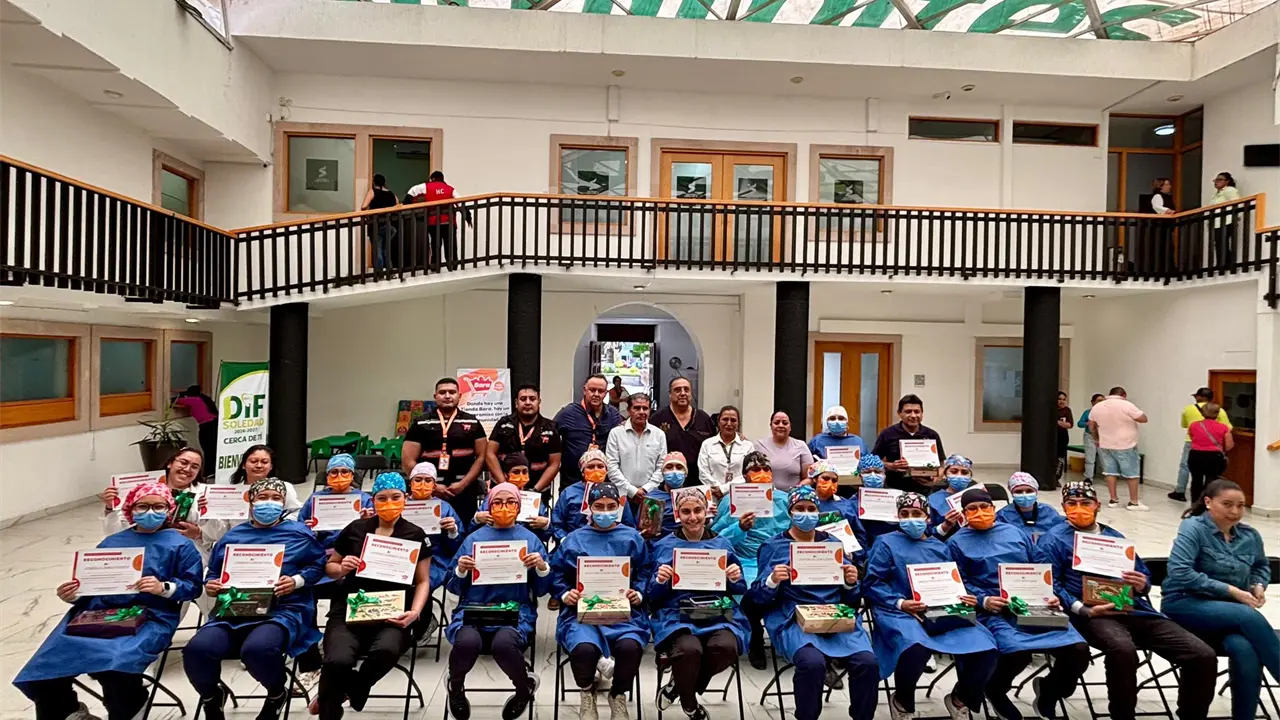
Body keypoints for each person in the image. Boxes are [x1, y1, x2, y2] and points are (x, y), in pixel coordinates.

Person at [14, 482, 204, 720]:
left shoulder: (180, 545)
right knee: (43, 669)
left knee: (115, 667)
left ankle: (130, 708)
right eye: (143, 506)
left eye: (158, 506)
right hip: (95, 614)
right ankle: (69, 712)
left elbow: (193, 586)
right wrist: (74, 594)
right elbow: (92, 583)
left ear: (169, 510)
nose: (150, 512)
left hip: (151, 617)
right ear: (131, 509)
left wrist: (163, 587)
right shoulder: (112, 543)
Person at [1038, 481, 1217, 720]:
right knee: (1122, 650)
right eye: (1072, 503)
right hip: (1092, 614)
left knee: (1202, 654)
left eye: (1085, 503)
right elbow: (1051, 583)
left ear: (1097, 505)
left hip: (1135, 609)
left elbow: (1142, 574)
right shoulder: (1053, 540)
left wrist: (1142, 584)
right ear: (1063, 507)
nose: (1079, 508)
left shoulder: (1114, 537)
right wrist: (1082, 609)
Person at [183, 478, 327, 720]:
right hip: (234, 609)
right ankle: (211, 696)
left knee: (258, 650)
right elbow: (215, 571)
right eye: (262, 497)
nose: (269, 503)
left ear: (284, 503)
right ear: (250, 502)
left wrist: (296, 581)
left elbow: (317, 565)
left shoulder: (299, 533)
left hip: (283, 608)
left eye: (276, 498)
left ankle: (276, 693)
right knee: (196, 650)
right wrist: (212, 584)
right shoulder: (233, 536)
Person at [946, 487, 1090, 720]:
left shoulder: (1014, 532)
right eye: (972, 509)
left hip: (1034, 603)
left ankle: (1049, 692)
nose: (980, 512)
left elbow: (1040, 564)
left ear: (993, 508)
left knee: (1078, 650)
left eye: (984, 507)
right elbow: (958, 581)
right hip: (993, 610)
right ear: (964, 514)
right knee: (1016, 652)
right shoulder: (956, 543)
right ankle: (995, 690)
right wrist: (983, 600)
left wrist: (1049, 592)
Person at [864, 491, 998, 720]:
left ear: (927, 518)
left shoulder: (940, 547)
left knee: (987, 648)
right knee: (915, 648)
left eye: (916, 513)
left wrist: (963, 596)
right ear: (897, 517)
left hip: (940, 609)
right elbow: (872, 583)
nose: (911, 518)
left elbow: (953, 579)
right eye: (905, 514)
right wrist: (901, 603)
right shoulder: (885, 543)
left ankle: (961, 698)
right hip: (898, 610)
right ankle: (903, 700)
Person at [748, 486, 879, 720]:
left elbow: (851, 600)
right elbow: (757, 598)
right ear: (790, 512)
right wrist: (772, 580)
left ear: (819, 511)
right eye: (800, 509)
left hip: (835, 615)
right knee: (812, 663)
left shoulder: (833, 543)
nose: (806, 514)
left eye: (811, 509)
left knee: (867, 662)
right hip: (792, 617)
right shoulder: (773, 546)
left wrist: (850, 583)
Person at [314, 473, 432, 719]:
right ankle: (331, 707)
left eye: (396, 497)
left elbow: (422, 581)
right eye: (382, 498)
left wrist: (415, 612)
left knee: (386, 651)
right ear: (373, 500)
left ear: (405, 498)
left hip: (394, 610)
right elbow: (331, 567)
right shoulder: (355, 529)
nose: (389, 503)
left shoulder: (415, 534)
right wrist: (342, 567)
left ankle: (356, 686)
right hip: (351, 608)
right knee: (337, 661)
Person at [1163, 479, 1277, 720]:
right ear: (1208, 502)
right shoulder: (1193, 527)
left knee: (1244, 648)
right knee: (1247, 615)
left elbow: (1261, 566)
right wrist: (1232, 591)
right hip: (1185, 603)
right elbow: (1180, 572)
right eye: (1227, 504)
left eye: (1240, 505)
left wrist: (1258, 585)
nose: (1235, 511)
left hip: (1228, 614)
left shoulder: (1250, 535)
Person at [447, 482, 551, 720]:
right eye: (498, 502)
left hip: (515, 610)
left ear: (519, 507)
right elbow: (453, 586)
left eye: (511, 502)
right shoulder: (473, 539)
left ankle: (523, 690)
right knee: (466, 642)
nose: (504, 507)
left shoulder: (530, 540)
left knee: (504, 644)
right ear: (489, 506)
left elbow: (542, 590)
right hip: (474, 608)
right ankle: (455, 687)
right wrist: (461, 570)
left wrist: (541, 567)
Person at [552, 482, 652, 720]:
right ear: (589, 507)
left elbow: (646, 570)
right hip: (581, 613)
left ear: (619, 507)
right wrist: (565, 594)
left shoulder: (632, 538)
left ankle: (618, 695)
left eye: (610, 506)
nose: (605, 511)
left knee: (630, 647)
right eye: (599, 506)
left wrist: (638, 593)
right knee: (584, 648)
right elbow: (557, 574)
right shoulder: (574, 540)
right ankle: (587, 691)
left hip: (623, 612)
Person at [648, 488, 750, 720]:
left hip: (717, 612)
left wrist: (734, 578)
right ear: (677, 514)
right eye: (686, 512)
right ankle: (690, 705)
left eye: (697, 510)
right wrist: (660, 581)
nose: (692, 517)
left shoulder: (722, 543)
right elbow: (652, 597)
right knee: (689, 651)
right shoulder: (664, 545)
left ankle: (678, 687)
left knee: (726, 648)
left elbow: (739, 588)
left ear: (706, 512)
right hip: (677, 614)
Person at [710, 450, 792, 669]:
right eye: (755, 470)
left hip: (778, 559)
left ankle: (792, 637)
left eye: (766, 469)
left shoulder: (784, 500)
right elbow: (715, 540)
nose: (762, 474)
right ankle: (755, 636)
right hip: (745, 560)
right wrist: (739, 528)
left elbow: (796, 533)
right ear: (745, 475)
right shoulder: (730, 501)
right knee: (749, 590)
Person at [402, 377, 488, 525]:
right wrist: (432, 487)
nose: (447, 396)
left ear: (459, 396)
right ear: (435, 396)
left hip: (464, 490)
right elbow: (408, 460)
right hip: (428, 492)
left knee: (463, 528)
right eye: (442, 392)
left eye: (452, 392)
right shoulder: (420, 423)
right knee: (429, 530)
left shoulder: (473, 422)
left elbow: (481, 457)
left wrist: (463, 484)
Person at [101, 447, 205, 551]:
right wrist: (110, 508)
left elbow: (214, 537)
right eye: (183, 462)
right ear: (170, 463)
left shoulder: (204, 494)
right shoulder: (143, 491)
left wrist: (199, 533)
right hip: (142, 550)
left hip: (186, 551)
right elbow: (115, 533)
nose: (187, 469)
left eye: (194, 467)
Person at [485, 383, 562, 496]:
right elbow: (490, 453)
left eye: (532, 399)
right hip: (502, 490)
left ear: (539, 402)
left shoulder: (551, 428)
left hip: (537, 490)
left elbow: (554, 463)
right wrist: (504, 485)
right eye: (523, 399)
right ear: (516, 403)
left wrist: (535, 490)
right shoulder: (503, 424)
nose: (527, 402)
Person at [552, 448, 638, 546]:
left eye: (600, 466)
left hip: (612, 545)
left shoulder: (616, 493)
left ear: (606, 470)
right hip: (577, 544)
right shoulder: (569, 493)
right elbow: (557, 523)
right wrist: (565, 540)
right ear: (582, 471)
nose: (596, 470)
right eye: (591, 467)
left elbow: (628, 525)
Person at [554, 374, 624, 492]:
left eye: (600, 391)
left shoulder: (613, 415)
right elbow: (550, 436)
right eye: (592, 390)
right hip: (573, 482)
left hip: (603, 483)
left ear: (606, 393)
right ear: (584, 390)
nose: (596, 394)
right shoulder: (568, 413)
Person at [407, 463, 463, 603]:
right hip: (404, 556)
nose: (422, 484)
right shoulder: (400, 505)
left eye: (428, 480)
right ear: (410, 483)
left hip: (435, 559)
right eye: (418, 480)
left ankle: (423, 612)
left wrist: (452, 531)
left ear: (434, 485)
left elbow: (457, 547)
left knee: (423, 584)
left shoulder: (444, 508)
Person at [1087, 387, 1149, 511]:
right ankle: (1133, 502)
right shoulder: (1126, 405)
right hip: (1126, 445)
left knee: (1110, 472)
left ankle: (1113, 500)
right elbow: (1143, 419)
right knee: (1132, 474)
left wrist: (1097, 439)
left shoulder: (1097, 407)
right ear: (1124, 395)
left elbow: (1091, 426)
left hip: (1105, 444)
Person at [296, 453, 375, 549]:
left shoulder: (365, 500)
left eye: (344, 472)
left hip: (352, 548)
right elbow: (300, 525)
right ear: (327, 476)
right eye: (334, 472)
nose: (339, 476)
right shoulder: (315, 499)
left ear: (352, 475)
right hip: (321, 548)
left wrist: (365, 522)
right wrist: (308, 529)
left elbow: (374, 532)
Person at [472, 452, 552, 545]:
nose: (521, 475)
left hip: (526, 545)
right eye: (516, 472)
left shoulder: (534, 499)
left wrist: (545, 525)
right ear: (506, 474)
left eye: (525, 472)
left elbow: (547, 535)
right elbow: (473, 532)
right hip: (495, 545)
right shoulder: (495, 496)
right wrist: (477, 519)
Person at [650, 377, 716, 488]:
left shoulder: (703, 419)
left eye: (686, 390)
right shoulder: (657, 419)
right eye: (677, 390)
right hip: (665, 485)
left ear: (691, 393)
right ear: (670, 394)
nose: (682, 393)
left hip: (699, 484)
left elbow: (716, 443)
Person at [1170, 387, 1233, 502]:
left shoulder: (1188, 410)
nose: (1195, 398)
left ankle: (1180, 491)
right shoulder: (1220, 411)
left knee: (1186, 468)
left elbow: (1185, 425)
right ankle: (1208, 500)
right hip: (1214, 449)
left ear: (1202, 397)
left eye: (1196, 396)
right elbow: (1228, 428)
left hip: (1193, 444)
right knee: (1211, 477)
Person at [872, 394, 945, 494]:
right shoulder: (887, 434)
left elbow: (941, 465)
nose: (913, 415)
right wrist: (891, 465)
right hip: (894, 489)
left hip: (925, 491)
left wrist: (936, 479)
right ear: (899, 413)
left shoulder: (932, 435)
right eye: (908, 412)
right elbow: (873, 462)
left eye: (917, 412)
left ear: (922, 413)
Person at [605, 392, 667, 500]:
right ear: (629, 410)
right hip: (622, 495)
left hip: (651, 495)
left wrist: (646, 489)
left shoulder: (659, 435)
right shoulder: (616, 433)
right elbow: (611, 467)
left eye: (645, 408)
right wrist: (632, 491)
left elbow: (661, 467)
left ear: (650, 410)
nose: (641, 412)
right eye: (637, 408)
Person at [405, 171, 469, 272]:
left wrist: (406, 204)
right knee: (451, 246)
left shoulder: (426, 186)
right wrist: (467, 217)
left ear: (432, 179)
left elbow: (413, 191)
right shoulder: (450, 189)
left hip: (433, 223)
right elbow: (460, 202)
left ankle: (435, 267)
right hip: (449, 222)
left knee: (435, 245)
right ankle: (452, 266)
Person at [809, 460, 869, 563]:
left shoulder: (845, 505)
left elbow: (859, 534)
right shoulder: (804, 503)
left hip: (843, 559)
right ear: (814, 479)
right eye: (825, 478)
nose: (830, 482)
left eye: (834, 480)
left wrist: (853, 555)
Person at [696, 406, 754, 497]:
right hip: (713, 495)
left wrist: (724, 489)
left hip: (739, 495)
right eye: (725, 419)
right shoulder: (707, 444)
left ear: (738, 423)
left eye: (733, 420)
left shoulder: (747, 446)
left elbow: (749, 473)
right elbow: (703, 472)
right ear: (718, 422)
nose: (729, 423)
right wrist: (717, 488)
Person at [229, 444, 303, 512]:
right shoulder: (232, 492)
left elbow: (296, 512)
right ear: (243, 465)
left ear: (271, 466)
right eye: (253, 461)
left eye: (264, 462)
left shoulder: (285, 487)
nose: (259, 465)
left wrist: (280, 521)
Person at [1185, 401, 1234, 502]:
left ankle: (1195, 504)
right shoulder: (1223, 427)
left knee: (1196, 480)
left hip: (1196, 455)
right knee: (1211, 481)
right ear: (1217, 413)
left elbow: (1192, 438)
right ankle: (1208, 504)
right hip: (1214, 457)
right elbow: (1229, 446)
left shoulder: (1194, 425)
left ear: (1202, 413)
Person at [995, 472, 1063, 543]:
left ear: (1036, 492)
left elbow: (1059, 534)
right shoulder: (1003, 516)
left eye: (1029, 491)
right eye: (1018, 492)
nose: (1024, 495)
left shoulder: (1049, 512)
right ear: (1012, 494)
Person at [641, 452, 695, 540]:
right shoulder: (652, 498)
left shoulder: (694, 497)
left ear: (686, 473)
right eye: (669, 467)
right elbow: (643, 529)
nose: (674, 471)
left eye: (679, 467)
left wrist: (707, 518)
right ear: (662, 473)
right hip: (658, 543)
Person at [754, 411, 814, 491]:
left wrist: (796, 491)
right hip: (766, 495)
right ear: (771, 426)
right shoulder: (759, 445)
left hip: (793, 496)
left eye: (785, 423)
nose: (781, 425)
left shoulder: (801, 446)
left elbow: (810, 477)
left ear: (790, 427)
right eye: (776, 423)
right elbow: (751, 474)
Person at [172, 385, 218, 477]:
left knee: (207, 448)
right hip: (214, 423)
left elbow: (176, 401)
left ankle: (209, 471)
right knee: (212, 448)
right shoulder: (204, 398)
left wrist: (181, 395)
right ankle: (212, 470)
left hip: (207, 426)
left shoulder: (194, 399)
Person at [927, 454, 976, 540]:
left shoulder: (977, 496)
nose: (959, 475)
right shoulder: (933, 499)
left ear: (970, 476)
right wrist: (945, 526)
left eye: (964, 472)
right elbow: (928, 533)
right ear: (945, 474)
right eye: (954, 471)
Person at [361, 173, 400, 271]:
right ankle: (389, 272)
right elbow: (398, 207)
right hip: (389, 225)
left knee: (377, 251)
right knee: (386, 250)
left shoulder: (373, 191)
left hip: (376, 225)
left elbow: (364, 206)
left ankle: (379, 273)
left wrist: (369, 213)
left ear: (374, 182)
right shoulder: (391, 194)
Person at [855, 454, 898, 541]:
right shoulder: (852, 503)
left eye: (878, 472)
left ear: (884, 474)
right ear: (860, 476)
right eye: (867, 472)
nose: (873, 475)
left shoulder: (897, 499)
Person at [1209, 172, 1242, 269]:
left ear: (1227, 181)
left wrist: (1236, 217)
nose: (1216, 182)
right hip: (1218, 221)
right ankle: (1221, 263)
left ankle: (1225, 264)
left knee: (1223, 242)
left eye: (1220, 179)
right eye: (1215, 180)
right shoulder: (1216, 194)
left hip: (1227, 220)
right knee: (1219, 243)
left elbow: (1237, 203)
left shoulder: (1229, 190)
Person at [1077, 394, 1104, 481]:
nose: (1101, 402)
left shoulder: (1106, 413)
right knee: (1090, 459)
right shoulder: (1087, 412)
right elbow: (1079, 423)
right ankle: (1088, 478)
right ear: (1093, 402)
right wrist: (1088, 423)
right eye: (1099, 400)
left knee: (1105, 459)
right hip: (1090, 436)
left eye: (1103, 401)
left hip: (1103, 437)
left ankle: (1109, 478)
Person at [1054, 392, 1073, 485]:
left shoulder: (1067, 411)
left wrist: (1056, 422)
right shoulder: (1051, 409)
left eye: (1064, 399)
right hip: (1050, 439)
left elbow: (1069, 425)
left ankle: (1056, 478)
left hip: (1062, 438)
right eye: (1059, 399)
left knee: (1060, 459)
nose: (1062, 401)